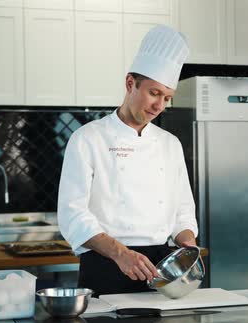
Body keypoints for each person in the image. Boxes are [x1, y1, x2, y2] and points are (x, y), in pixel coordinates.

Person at [57, 25, 198, 296]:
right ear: (130, 83)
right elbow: (72, 214)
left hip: (161, 270)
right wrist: (121, 254)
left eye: (167, 98)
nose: (159, 106)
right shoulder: (88, 138)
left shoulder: (170, 144)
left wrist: (187, 244)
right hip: (106, 264)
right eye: (154, 93)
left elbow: (182, 210)